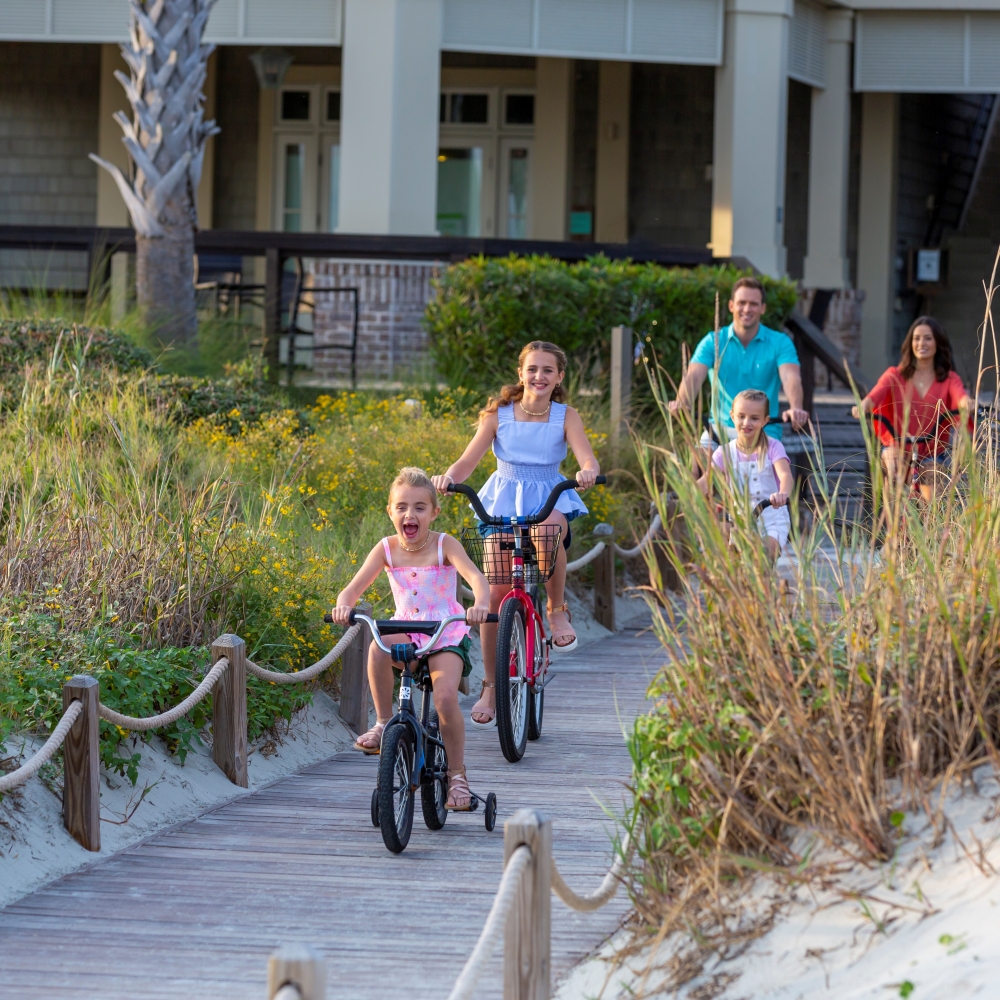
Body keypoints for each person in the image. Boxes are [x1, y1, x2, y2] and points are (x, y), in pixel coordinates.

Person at [431, 340, 600, 727]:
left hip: (548, 494)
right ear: (520, 373)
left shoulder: (565, 415)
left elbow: (586, 455)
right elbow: (467, 460)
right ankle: (491, 686)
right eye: (532, 369)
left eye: (547, 370)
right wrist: (447, 479)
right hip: (504, 498)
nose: (539, 376)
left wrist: (587, 470)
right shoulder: (499, 415)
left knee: (548, 530)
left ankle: (557, 611)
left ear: (559, 377)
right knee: (492, 595)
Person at [330, 467, 492, 811]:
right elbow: (353, 588)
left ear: (434, 512)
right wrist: (344, 605)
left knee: (446, 697)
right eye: (401, 506)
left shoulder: (444, 544)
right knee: (377, 647)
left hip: (445, 631)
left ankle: (458, 774)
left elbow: (477, 579)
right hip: (407, 627)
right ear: (390, 512)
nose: (410, 514)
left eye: (420, 507)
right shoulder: (386, 549)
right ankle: (384, 721)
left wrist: (480, 604)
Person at [669, 276, 809, 447]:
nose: (747, 309)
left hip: (764, 429)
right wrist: (682, 402)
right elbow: (694, 375)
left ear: (763, 308)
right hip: (719, 429)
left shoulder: (780, 342)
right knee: (698, 463)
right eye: (741, 302)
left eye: (753, 304)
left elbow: (790, 377)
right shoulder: (713, 341)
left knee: (770, 467)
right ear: (731, 306)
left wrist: (796, 407)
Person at [852, 316, 973, 502]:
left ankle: (930, 528)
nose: (921, 343)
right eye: (916, 338)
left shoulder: (949, 379)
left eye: (927, 338)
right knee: (893, 471)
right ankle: (891, 527)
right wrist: (862, 406)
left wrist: (968, 404)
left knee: (933, 488)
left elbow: (961, 397)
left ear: (938, 343)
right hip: (897, 446)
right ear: (910, 343)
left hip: (932, 452)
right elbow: (873, 397)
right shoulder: (894, 375)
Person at [696, 388, 794, 563]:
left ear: (765, 421)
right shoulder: (725, 452)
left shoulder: (773, 447)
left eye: (754, 418)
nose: (746, 422)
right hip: (740, 520)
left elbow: (785, 475)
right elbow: (706, 481)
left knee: (764, 554)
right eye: (741, 416)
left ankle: (766, 584)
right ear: (732, 416)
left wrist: (782, 494)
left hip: (771, 516)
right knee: (730, 559)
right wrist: (687, 492)